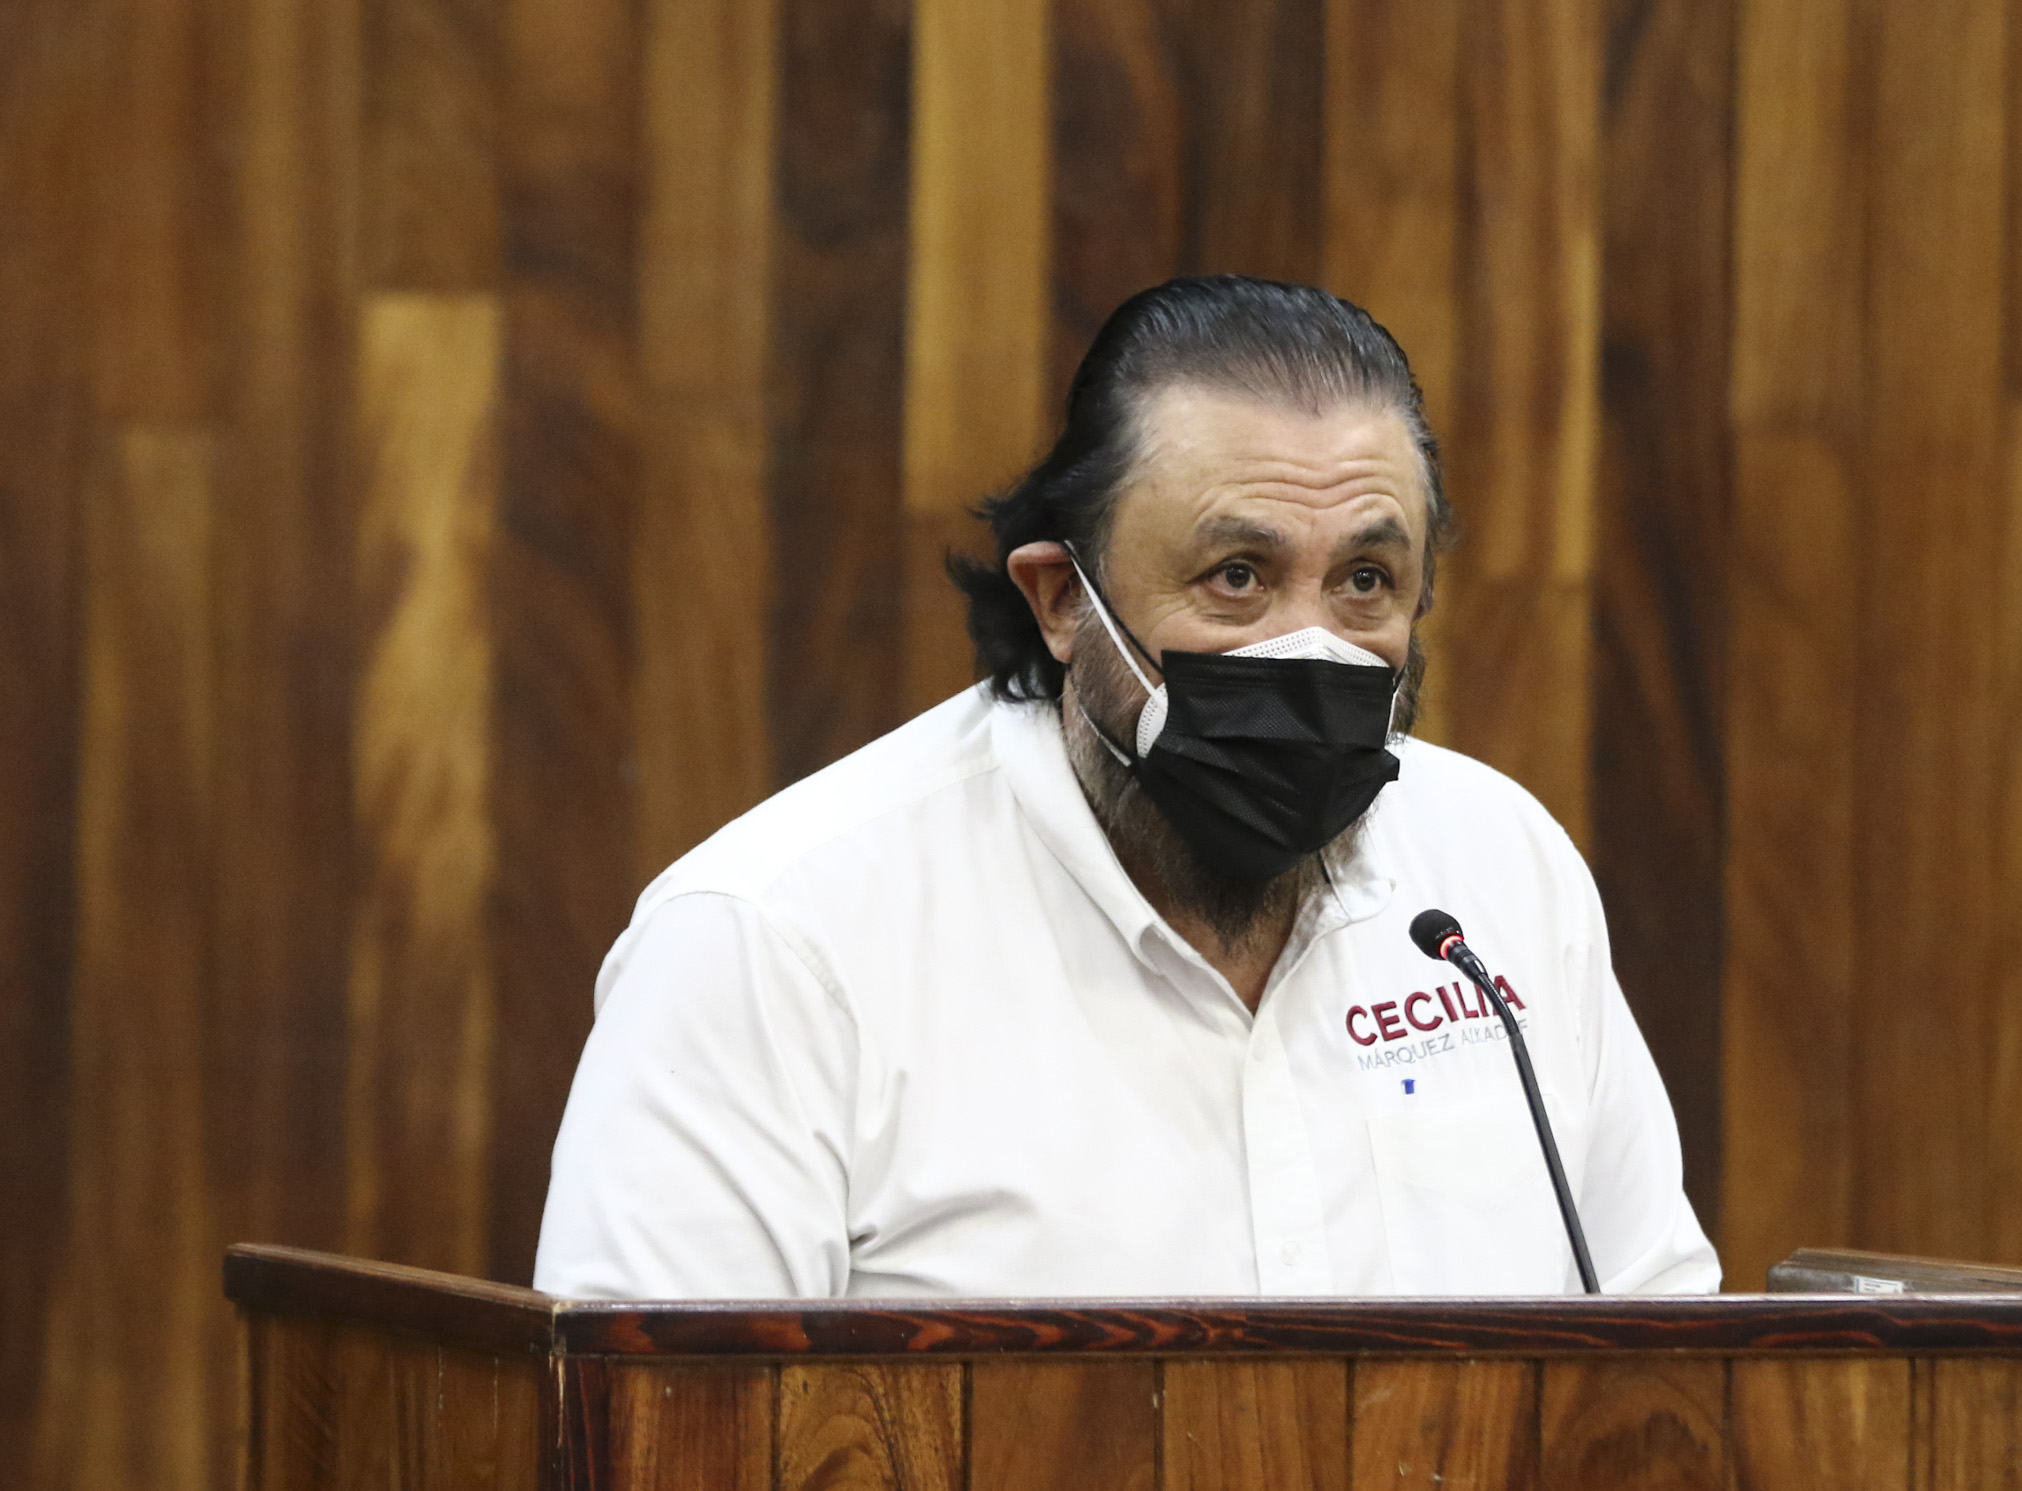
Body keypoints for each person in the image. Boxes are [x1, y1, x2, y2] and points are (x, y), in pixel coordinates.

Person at [534, 276, 1718, 1299]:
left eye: (1365, 580)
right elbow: (657, 1434)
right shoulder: (775, 947)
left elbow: (1659, 1370)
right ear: (1062, 602)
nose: (1310, 645)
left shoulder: (1497, 870)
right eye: (1237, 576)